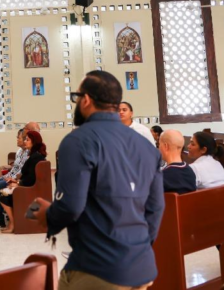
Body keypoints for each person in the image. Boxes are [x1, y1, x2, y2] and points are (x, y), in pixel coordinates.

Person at [33, 71, 163, 290]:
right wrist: (137, 249)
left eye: (76, 97)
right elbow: (156, 207)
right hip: (141, 267)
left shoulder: (78, 141)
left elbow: (70, 207)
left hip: (98, 268)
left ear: (86, 100)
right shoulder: (145, 146)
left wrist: (48, 215)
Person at [0, 130, 47, 233]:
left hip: (31, 190)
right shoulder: (33, 155)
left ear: (34, 142)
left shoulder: (36, 157)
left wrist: (18, 184)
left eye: (27, 140)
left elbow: (31, 178)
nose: (25, 141)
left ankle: (13, 224)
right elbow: (28, 175)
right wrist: (16, 180)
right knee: (2, 192)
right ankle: (13, 222)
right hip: (29, 186)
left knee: (3, 196)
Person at [0, 129, 29, 228]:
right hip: (12, 176)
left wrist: (12, 179)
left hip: (16, 180)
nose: (17, 139)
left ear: (24, 139)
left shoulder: (27, 153)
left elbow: (22, 172)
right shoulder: (20, 151)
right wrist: (6, 176)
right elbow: (15, 168)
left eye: (18, 137)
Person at [158, 129, 197, 195]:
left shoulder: (162, 176)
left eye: (159, 144)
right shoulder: (190, 171)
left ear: (165, 146)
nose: (158, 148)